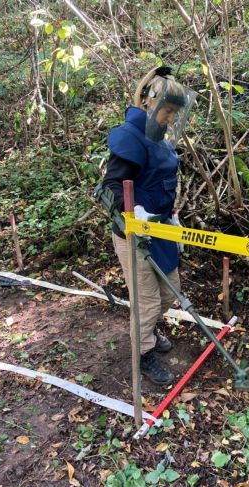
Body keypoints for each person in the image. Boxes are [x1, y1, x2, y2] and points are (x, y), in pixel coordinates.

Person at [95, 66, 195, 386]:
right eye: (166, 110)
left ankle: (149, 330)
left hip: (161, 228)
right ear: (149, 102)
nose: (169, 118)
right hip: (132, 231)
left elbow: (162, 182)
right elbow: (110, 187)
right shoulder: (130, 136)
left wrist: (171, 214)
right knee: (147, 300)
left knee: (169, 292)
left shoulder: (161, 140)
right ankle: (143, 353)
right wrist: (131, 214)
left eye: (173, 113)